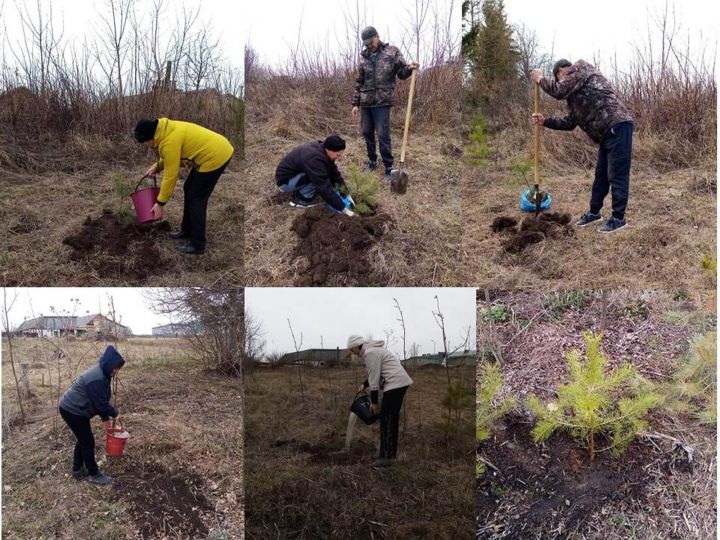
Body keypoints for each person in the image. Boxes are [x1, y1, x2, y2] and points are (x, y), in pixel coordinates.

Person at [530, 59, 634, 233]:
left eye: (559, 78)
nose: (561, 82)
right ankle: (594, 213)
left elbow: (558, 91)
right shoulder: (576, 97)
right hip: (606, 134)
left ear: (563, 71)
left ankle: (618, 218)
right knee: (601, 176)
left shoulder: (580, 68)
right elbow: (570, 123)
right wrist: (544, 121)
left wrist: (540, 79)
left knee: (617, 174)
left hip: (618, 124)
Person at [133, 117, 235, 255]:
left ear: (150, 137)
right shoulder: (165, 131)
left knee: (196, 198)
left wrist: (160, 202)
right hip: (214, 150)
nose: (145, 145)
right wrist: (157, 167)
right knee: (189, 188)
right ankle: (186, 231)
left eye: (144, 142)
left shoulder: (168, 140)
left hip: (216, 155)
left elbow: (170, 175)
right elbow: (172, 157)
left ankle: (197, 244)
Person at [352, 26, 420, 181]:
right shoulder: (363, 57)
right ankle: (372, 162)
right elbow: (359, 82)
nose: (369, 45)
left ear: (377, 36)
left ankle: (389, 167)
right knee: (367, 132)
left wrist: (409, 68)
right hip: (366, 102)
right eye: (366, 43)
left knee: (383, 135)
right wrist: (355, 103)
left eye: (371, 41)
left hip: (383, 102)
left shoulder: (392, 52)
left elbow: (402, 73)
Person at [59, 345, 125, 486]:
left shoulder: (104, 373)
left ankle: (77, 469)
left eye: (118, 368)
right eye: (116, 367)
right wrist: (114, 414)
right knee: (88, 442)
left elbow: (100, 400)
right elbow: (100, 405)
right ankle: (94, 474)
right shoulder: (97, 378)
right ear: (109, 364)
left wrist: (105, 418)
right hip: (72, 409)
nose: (117, 371)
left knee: (83, 439)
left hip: (74, 408)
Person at [347, 334, 413, 468]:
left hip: (395, 384)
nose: (351, 352)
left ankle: (386, 458)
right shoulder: (372, 350)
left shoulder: (370, 352)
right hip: (398, 383)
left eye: (351, 349)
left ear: (355, 346)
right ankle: (388, 455)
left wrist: (374, 402)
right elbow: (376, 371)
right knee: (389, 419)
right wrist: (364, 384)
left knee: (387, 420)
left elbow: (375, 379)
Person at [275, 135, 355, 215]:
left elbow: (334, 173)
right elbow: (323, 186)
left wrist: (346, 194)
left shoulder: (323, 150)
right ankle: (302, 198)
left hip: (296, 175)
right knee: (318, 178)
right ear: (329, 149)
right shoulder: (314, 159)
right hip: (285, 182)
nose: (340, 157)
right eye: (338, 155)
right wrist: (343, 209)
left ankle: (302, 190)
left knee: (324, 173)